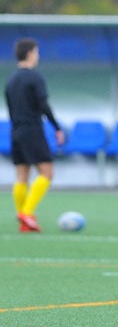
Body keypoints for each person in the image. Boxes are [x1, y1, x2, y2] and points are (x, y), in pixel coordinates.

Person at [5, 38, 65, 233]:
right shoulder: (34, 77)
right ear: (30, 53)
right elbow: (43, 105)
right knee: (47, 173)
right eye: (37, 52)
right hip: (32, 129)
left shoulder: (11, 80)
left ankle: (24, 220)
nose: (37, 56)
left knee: (22, 176)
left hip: (15, 130)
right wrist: (57, 127)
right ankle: (27, 213)